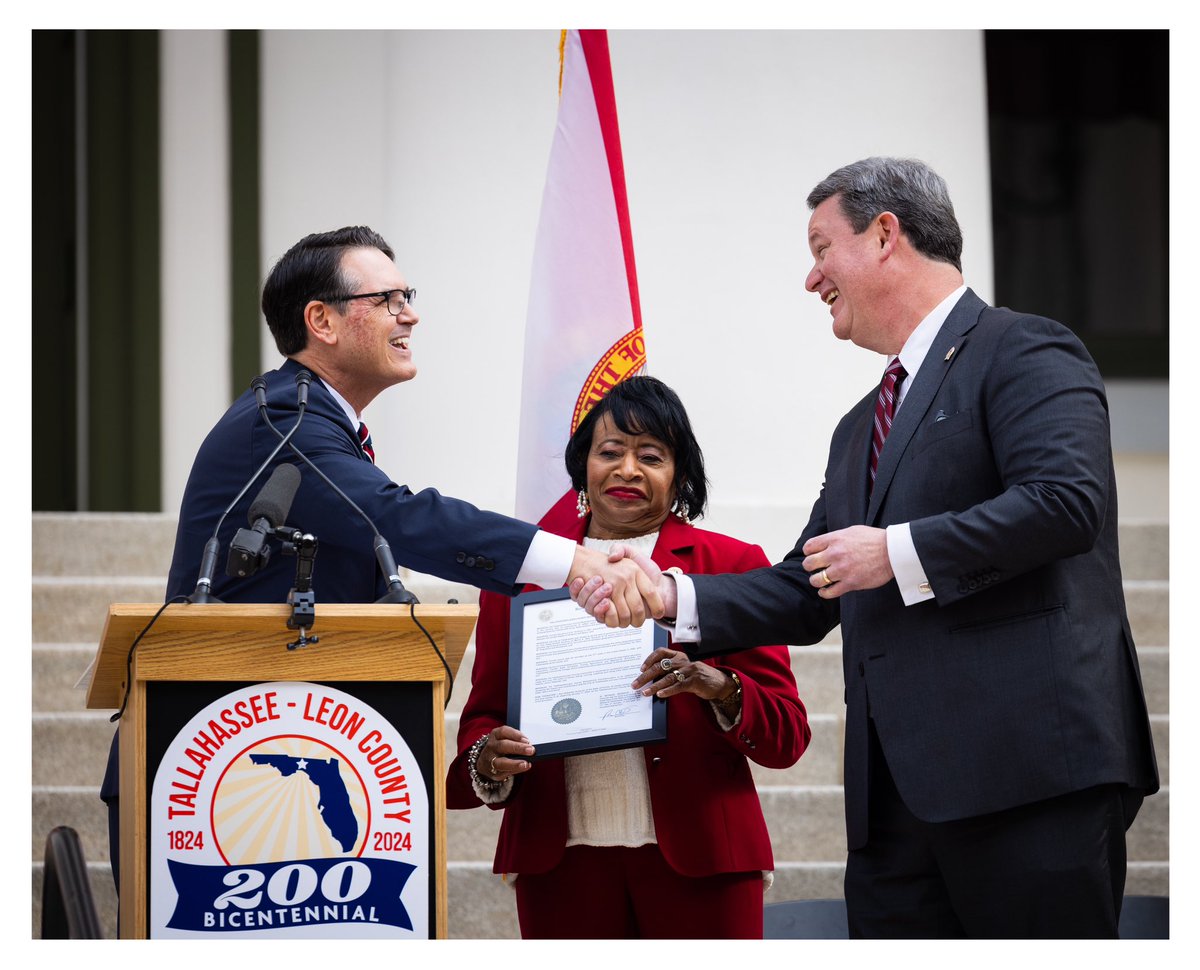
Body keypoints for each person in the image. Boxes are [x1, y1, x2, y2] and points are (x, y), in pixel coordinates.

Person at [575, 158, 1160, 938]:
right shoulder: (859, 428)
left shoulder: (1026, 350)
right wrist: (669, 596)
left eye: (822, 248)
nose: (811, 278)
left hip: (1030, 781)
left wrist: (898, 552)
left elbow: (1065, 502)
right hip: (895, 808)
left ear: (886, 235)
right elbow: (804, 586)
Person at [100, 226, 662, 891]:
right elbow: (400, 516)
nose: (411, 313)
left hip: (275, 761)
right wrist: (576, 563)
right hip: (211, 764)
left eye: (408, 295)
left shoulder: (315, 421)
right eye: (389, 297)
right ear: (323, 321)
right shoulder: (285, 420)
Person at [446, 376, 810, 939]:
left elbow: (787, 734)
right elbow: (483, 717)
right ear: (582, 470)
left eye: (651, 456)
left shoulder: (731, 566)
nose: (627, 470)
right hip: (560, 864)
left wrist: (718, 687)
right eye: (609, 452)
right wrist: (487, 759)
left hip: (702, 857)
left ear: (680, 475)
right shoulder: (520, 575)